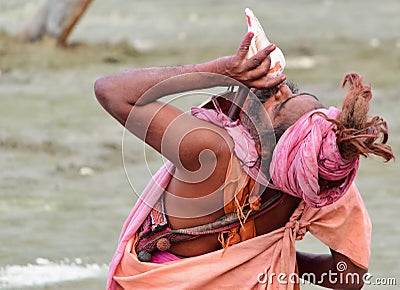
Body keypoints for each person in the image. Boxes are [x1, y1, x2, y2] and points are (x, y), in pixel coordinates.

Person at [94, 32, 394, 289]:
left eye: (280, 104)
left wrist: (219, 70)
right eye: (294, 93)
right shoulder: (321, 182)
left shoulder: (211, 151)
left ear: (266, 148)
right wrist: (271, 256)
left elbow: (111, 91)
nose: (281, 89)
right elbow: (350, 277)